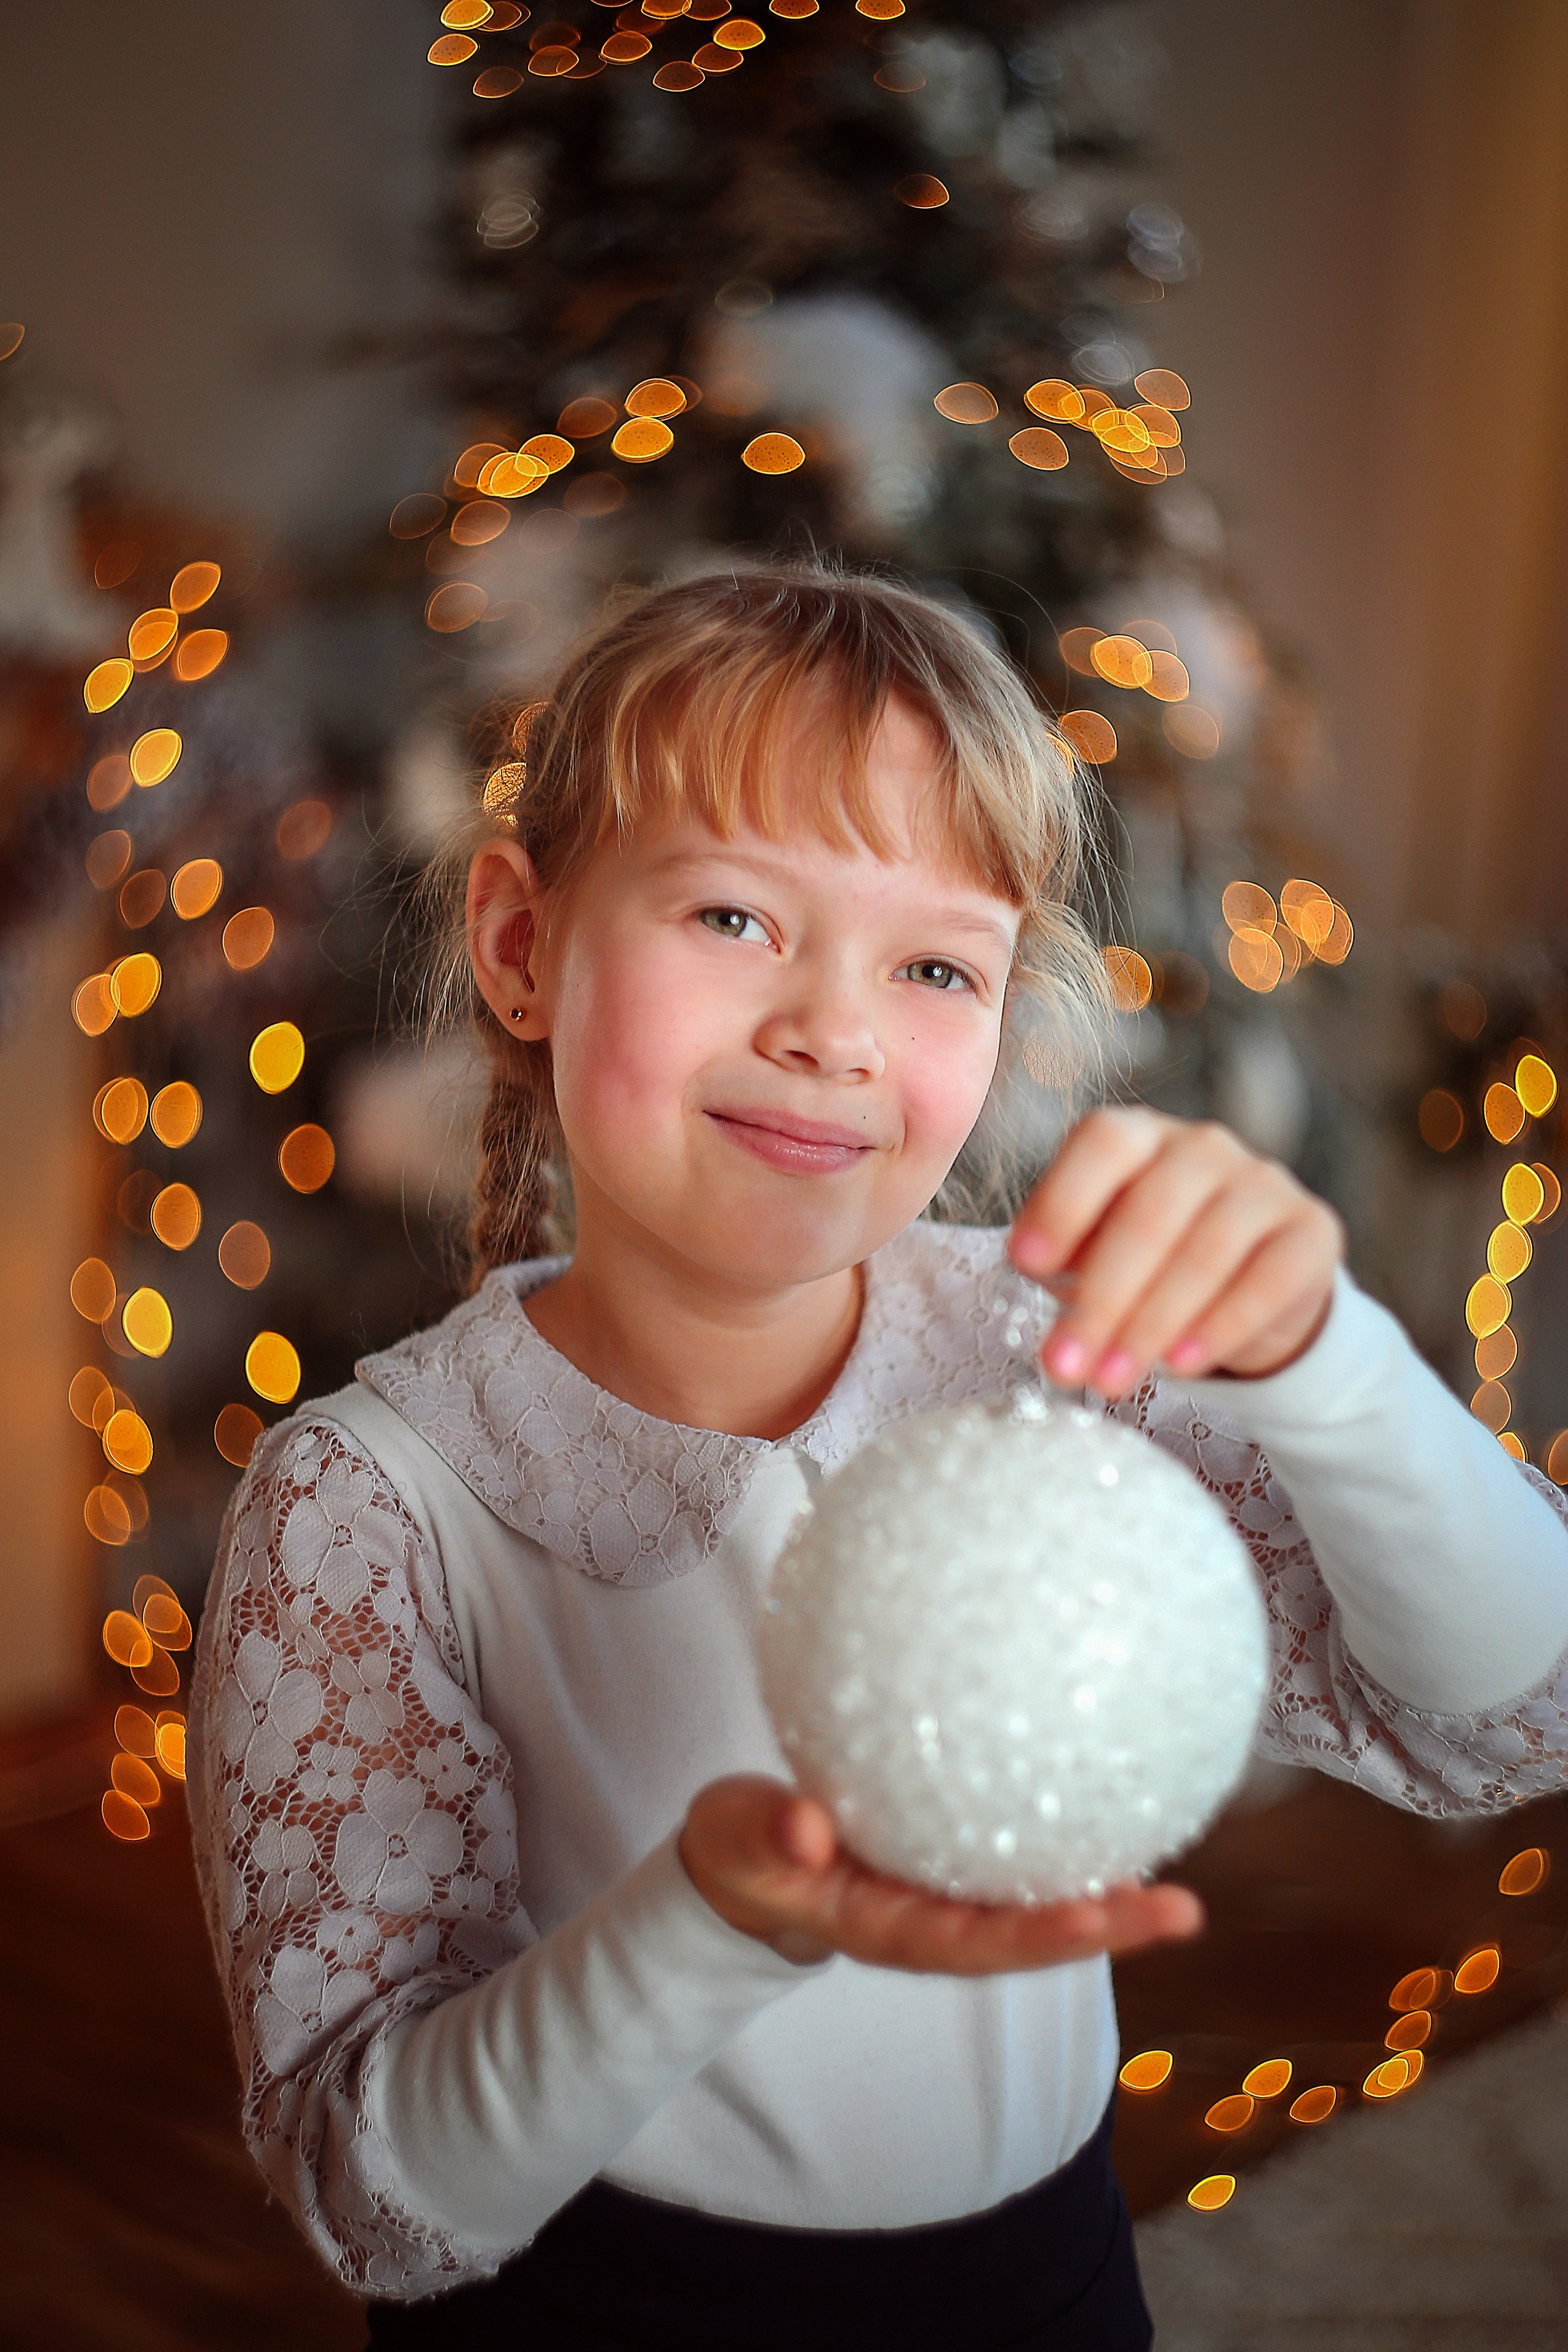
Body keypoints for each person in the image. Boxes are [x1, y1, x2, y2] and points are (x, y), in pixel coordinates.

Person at [187, 562, 1568, 2350]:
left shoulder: (1062, 1357)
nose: (833, 1029)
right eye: (736, 918)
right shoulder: (376, 1505)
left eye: (932, 963)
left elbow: (1506, 1714)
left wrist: (1331, 1366)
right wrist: (712, 1917)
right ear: (523, 943)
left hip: (1042, 2286)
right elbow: (374, 2191)